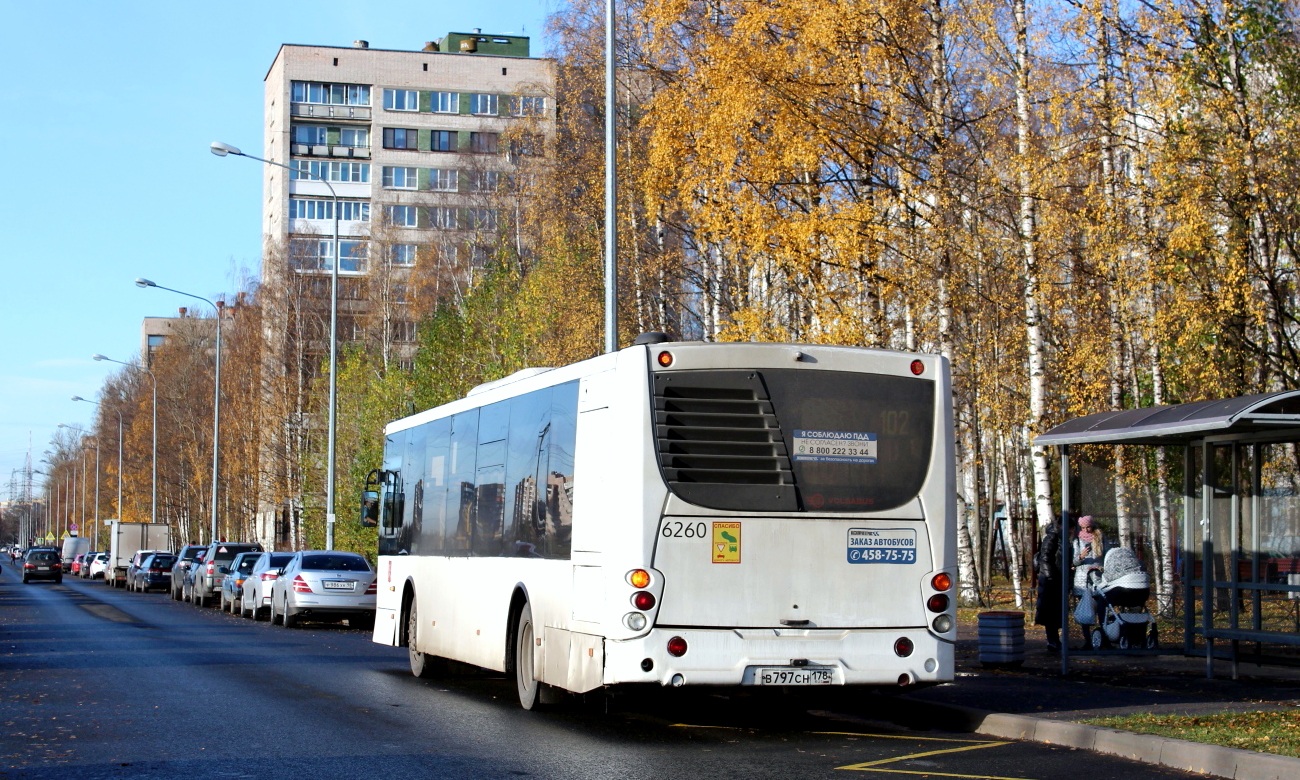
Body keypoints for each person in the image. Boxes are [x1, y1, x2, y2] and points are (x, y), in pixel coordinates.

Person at [1034, 521, 1064, 653]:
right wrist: (1051, 577)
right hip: (1050, 581)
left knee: (1052, 613)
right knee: (1051, 613)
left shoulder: (1055, 538)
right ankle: (1053, 641)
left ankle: (1054, 641)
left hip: (1051, 579)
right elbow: (1045, 559)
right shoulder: (1053, 538)